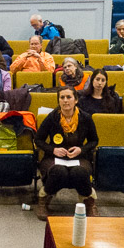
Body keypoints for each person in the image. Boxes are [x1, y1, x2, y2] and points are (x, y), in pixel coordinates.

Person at [35, 86, 99, 218]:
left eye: (69, 97)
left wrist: (81, 149)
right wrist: (53, 150)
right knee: (59, 171)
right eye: (62, 97)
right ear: (58, 100)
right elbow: (38, 140)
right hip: (53, 157)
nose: (65, 100)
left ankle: (89, 202)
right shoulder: (52, 117)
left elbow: (94, 141)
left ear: (75, 100)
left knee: (79, 171)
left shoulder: (85, 118)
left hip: (79, 157)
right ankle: (43, 200)